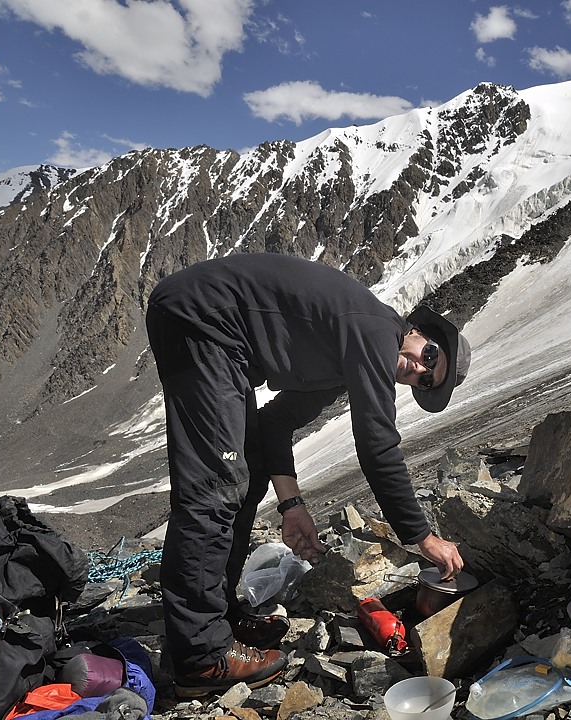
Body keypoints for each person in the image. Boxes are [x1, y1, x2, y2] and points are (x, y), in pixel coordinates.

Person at [144, 252, 470, 698]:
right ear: (415, 332)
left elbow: (274, 425)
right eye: (428, 355)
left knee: (248, 462)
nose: (419, 370)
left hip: (216, 335)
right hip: (201, 320)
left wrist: (292, 506)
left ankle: (216, 619)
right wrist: (421, 536)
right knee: (216, 488)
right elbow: (377, 445)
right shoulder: (376, 328)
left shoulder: (347, 355)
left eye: (427, 380)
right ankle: (201, 657)